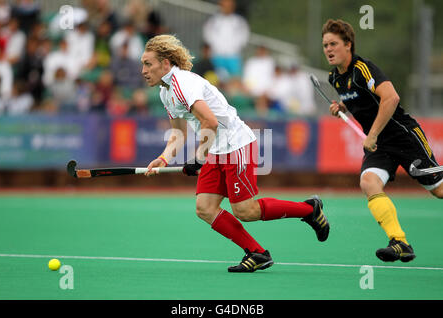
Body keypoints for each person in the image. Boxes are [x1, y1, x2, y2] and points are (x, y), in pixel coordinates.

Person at [141, 34, 330, 273]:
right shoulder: (165, 92)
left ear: (166, 63)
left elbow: (210, 122)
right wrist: (165, 157)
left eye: (148, 64)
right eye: (143, 64)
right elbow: (179, 134)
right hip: (215, 148)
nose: (143, 70)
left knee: (245, 211)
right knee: (205, 207)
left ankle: (310, 210)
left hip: (234, 144)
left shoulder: (182, 83)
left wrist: (199, 158)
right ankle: (257, 253)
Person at [322, 19, 443, 263]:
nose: (328, 49)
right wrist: (342, 106)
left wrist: (373, 134)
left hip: (403, 136)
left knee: (439, 190)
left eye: (333, 44)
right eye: (325, 45)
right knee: (369, 183)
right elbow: (360, 97)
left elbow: (391, 98)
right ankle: (400, 242)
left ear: (348, 45)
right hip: (380, 146)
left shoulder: (363, 68)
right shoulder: (335, 78)